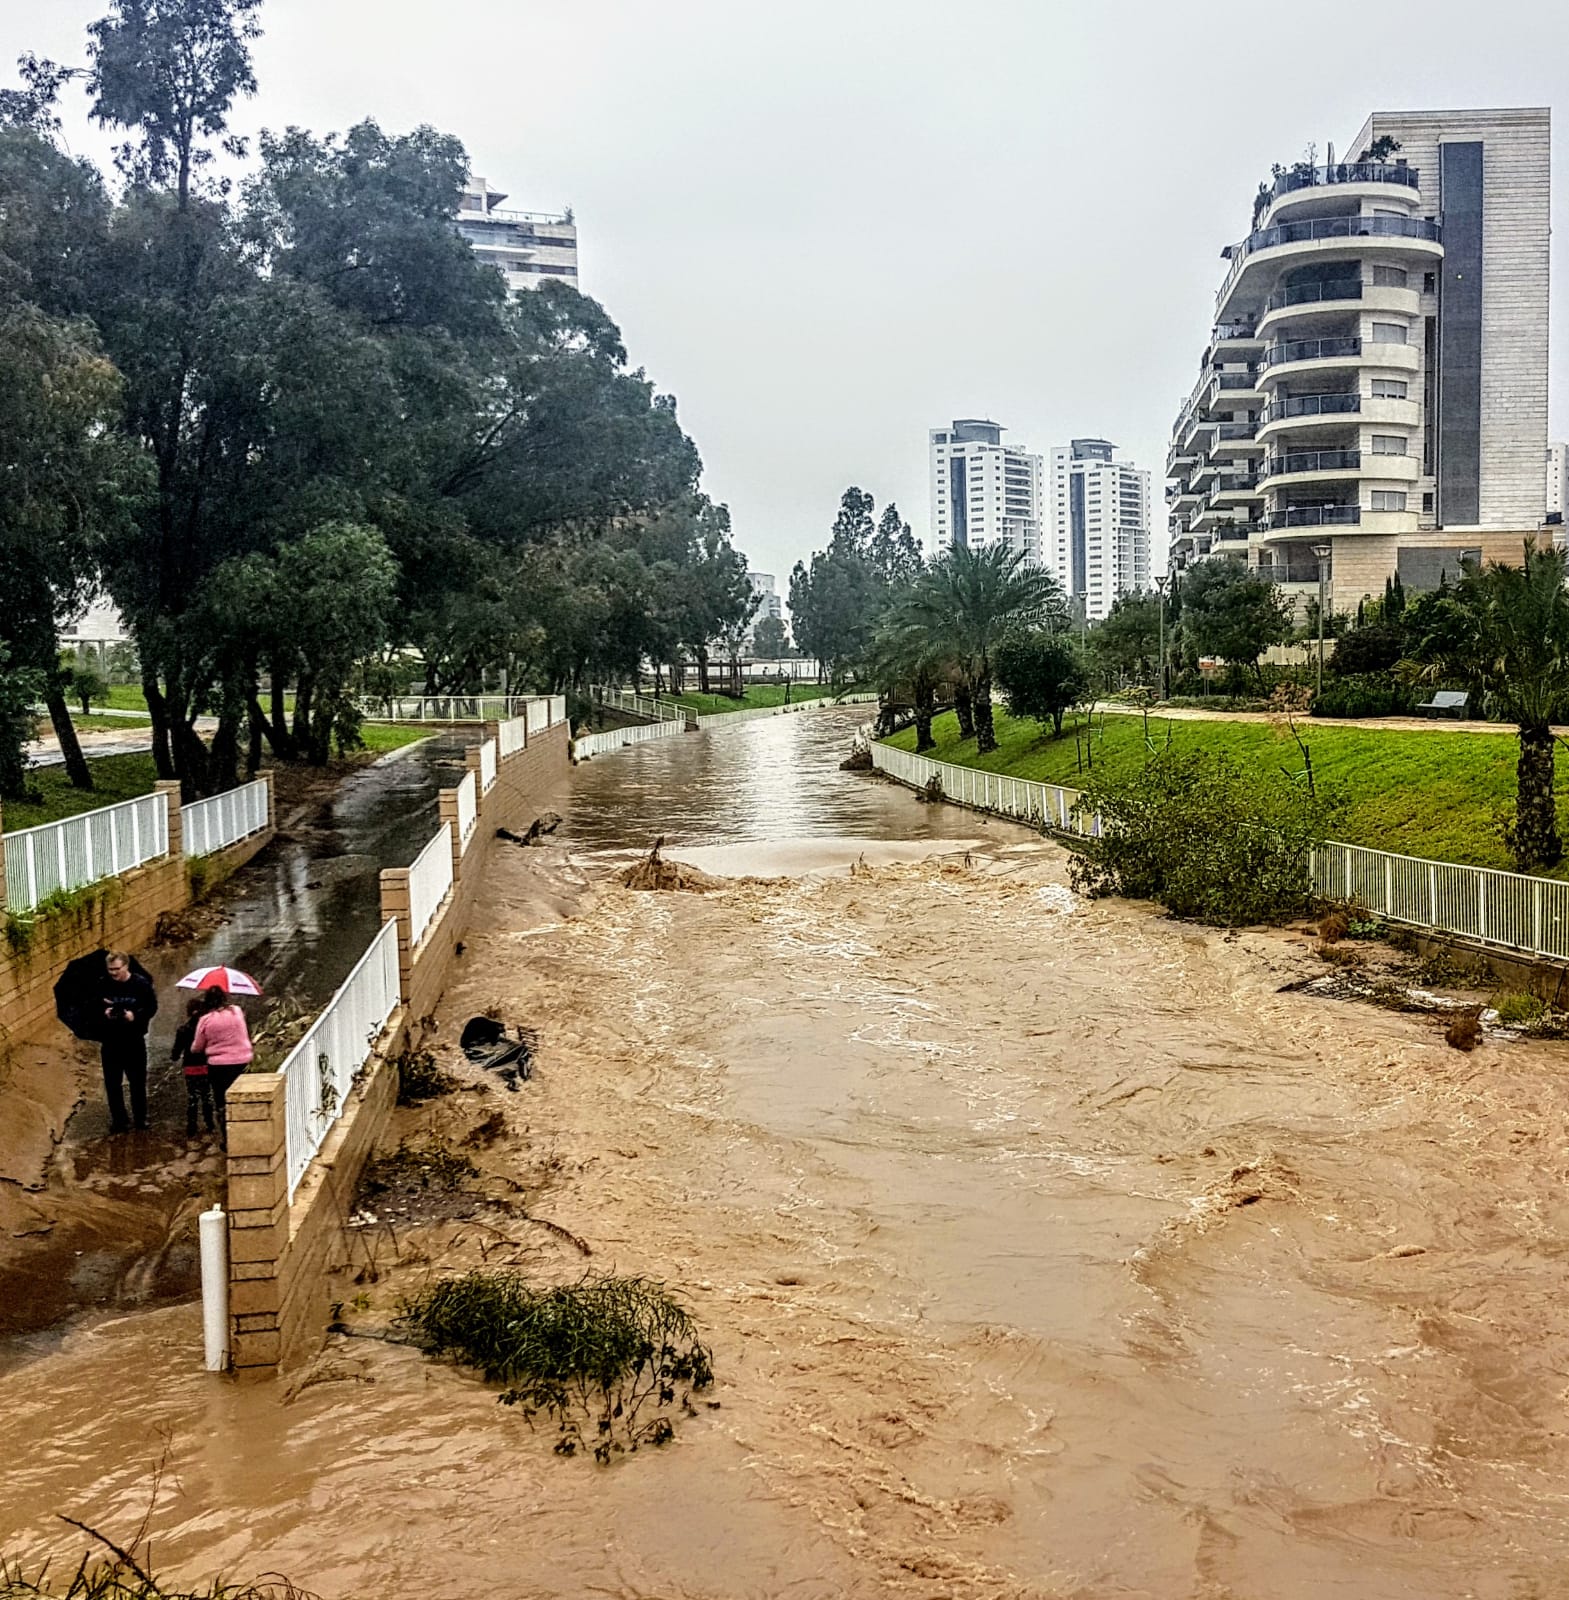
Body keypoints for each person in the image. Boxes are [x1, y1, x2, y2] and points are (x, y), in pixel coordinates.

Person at [99, 950, 158, 1133]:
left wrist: (134, 1016)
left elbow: (152, 1008)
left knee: (137, 1082)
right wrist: (105, 1012)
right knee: (112, 1083)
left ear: (126, 966)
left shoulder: (141, 984)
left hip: (133, 1040)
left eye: (117, 969)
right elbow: (93, 1007)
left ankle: (140, 1119)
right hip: (110, 1041)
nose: (113, 973)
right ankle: (119, 1120)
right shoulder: (103, 984)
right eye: (110, 970)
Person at [191, 984, 254, 1142]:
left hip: (219, 1067)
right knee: (243, 1098)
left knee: (222, 1101)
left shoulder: (205, 1020)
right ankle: (245, 1132)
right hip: (243, 1062)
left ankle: (228, 1138)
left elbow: (197, 1047)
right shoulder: (237, 1011)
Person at [170, 995, 215, 1138]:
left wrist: (175, 1057)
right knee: (206, 1095)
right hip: (206, 1066)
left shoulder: (183, 1030)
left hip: (190, 1068)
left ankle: (192, 1126)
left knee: (192, 1097)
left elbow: (176, 1051)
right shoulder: (207, 1029)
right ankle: (210, 1124)